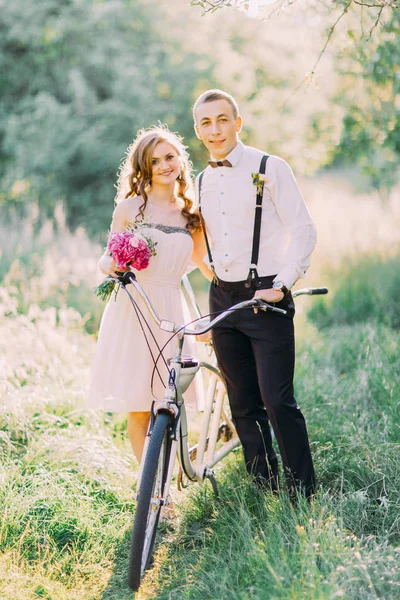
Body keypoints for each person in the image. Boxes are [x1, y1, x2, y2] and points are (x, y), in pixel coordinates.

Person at [193, 89, 317, 498]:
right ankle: (263, 487)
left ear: (238, 123)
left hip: (268, 298)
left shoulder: (270, 166)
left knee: (278, 401)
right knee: (242, 403)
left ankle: (302, 493)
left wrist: (281, 285)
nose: (215, 130)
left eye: (222, 119)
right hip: (222, 299)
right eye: (206, 123)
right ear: (198, 131)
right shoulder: (201, 179)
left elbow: (303, 230)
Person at [88, 126, 212, 462]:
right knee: (140, 405)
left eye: (169, 157)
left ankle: (166, 480)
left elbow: (205, 264)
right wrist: (107, 266)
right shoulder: (130, 209)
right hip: (135, 307)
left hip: (172, 308)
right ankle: (150, 492)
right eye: (155, 160)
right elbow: (108, 255)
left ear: (180, 161)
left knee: (167, 401)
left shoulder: (191, 214)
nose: (164, 165)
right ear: (144, 167)